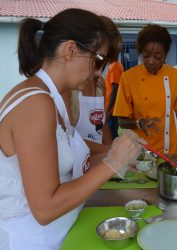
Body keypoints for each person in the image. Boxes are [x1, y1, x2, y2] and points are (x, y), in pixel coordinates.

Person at [0, 9, 144, 249]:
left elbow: (71, 152)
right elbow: (45, 209)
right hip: (31, 241)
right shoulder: (35, 103)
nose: (98, 72)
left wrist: (119, 151)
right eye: (98, 61)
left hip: (60, 234)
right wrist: (112, 163)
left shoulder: (53, 96)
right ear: (70, 49)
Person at [113, 24, 177, 154]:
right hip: (139, 150)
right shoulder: (128, 77)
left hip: (168, 149)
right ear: (140, 52)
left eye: (157, 57)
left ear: (166, 54)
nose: (151, 61)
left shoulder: (175, 76)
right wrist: (140, 123)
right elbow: (121, 122)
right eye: (146, 55)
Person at [64, 16, 122, 156]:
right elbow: (70, 141)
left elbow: (101, 127)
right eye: (99, 60)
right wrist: (113, 151)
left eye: (105, 62)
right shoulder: (67, 89)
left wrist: (114, 150)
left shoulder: (100, 84)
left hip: (95, 161)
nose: (99, 71)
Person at [105, 60, 124, 139]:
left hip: (112, 110)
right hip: (112, 109)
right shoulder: (116, 65)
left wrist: (108, 110)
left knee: (111, 136)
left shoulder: (115, 67)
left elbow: (114, 90)